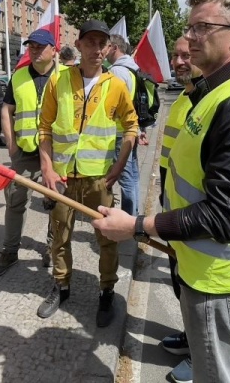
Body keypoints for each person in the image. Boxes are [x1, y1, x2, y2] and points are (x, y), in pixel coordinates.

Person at [93, 0, 230, 383]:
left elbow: (225, 217)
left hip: (219, 276)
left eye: (203, 28)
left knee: (215, 375)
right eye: (190, 27)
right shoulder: (211, 93)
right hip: (202, 264)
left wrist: (136, 225)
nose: (191, 37)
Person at [36, 20, 138, 328]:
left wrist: (119, 166)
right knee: (60, 236)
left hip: (98, 179)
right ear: (78, 45)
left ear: (109, 48)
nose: (96, 49)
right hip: (62, 177)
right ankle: (61, 285)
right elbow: (44, 127)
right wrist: (47, 167)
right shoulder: (59, 80)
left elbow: (131, 127)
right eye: (90, 42)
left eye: (101, 43)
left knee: (106, 238)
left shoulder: (116, 85)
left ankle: (106, 290)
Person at [0, 29, 59, 276]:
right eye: (32, 47)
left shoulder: (66, 76)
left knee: (57, 202)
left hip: (57, 152)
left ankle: (53, 246)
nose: (35, 50)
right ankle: (10, 250)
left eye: (40, 46)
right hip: (25, 150)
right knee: (15, 200)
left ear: (53, 49)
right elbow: (6, 110)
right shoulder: (18, 76)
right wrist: (11, 144)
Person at [157, 35, 202, 382]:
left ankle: (201, 359)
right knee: (180, 281)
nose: (179, 61)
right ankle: (191, 339)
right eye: (176, 55)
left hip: (196, 218)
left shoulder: (207, 101)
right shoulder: (186, 97)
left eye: (187, 55)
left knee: (196, 289)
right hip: (175, 209)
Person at [105, 33, 142, 215]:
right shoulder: (132, 68)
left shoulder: (116, 72)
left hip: (120, 133)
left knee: (126, 178)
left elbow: (112, 104)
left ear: (114, 47)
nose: (103, 51)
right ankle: (134, 213)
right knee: (133, 177)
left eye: (106, 46)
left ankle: (129, 219)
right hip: (130, 130)